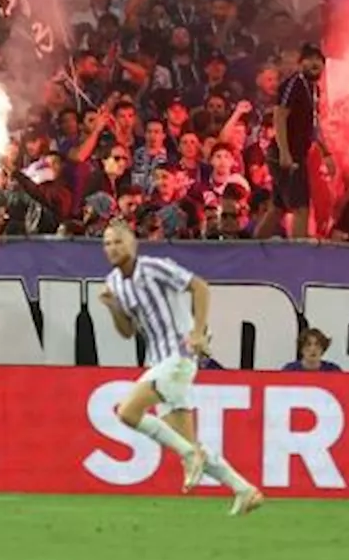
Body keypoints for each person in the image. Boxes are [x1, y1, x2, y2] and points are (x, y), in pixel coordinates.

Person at [97, 219, 262, 514]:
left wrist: (198, 332)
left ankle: (188, 454)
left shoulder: (154, 267)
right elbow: (127, 331)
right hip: (157, 359)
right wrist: (112, 307)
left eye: (118, 241)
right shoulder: (113, 283)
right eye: (107, 243)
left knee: (127, 412)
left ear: (133, 243)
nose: (112, 248)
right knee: (186, 440)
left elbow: (199, 287)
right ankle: (244, 489)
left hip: (179, 355)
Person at [261, 43, 333, 240]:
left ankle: (251, 250)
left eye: (319, 59)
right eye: (309, 59)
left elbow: (314, 126)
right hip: (286, 155)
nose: (315, 62)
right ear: (300, 64)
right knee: (301, 207)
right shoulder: (295, 82)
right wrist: (284, 152)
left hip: (296, 154)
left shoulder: (314, 89)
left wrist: (326, 153)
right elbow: (280, 115)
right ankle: (298, 258)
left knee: (278, 209)